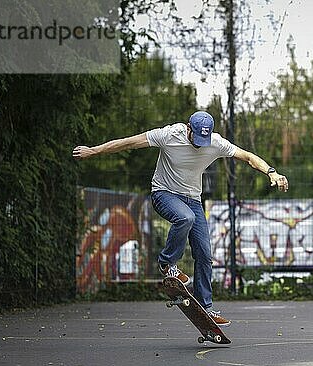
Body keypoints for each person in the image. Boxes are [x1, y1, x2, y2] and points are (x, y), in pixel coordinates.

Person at [73, 111, 289, 326]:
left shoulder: (215, 142)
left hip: (193, 200)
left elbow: (248, 156)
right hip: (163, 194)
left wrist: (272, 172)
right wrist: (94, 150)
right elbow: (129, 143)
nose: (200, 145)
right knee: (185, 218)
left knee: (205, 254)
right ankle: (167, 263)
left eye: (204, 140)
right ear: (188, 128)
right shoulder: (169, 135)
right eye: (196, 138)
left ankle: (206, 309)